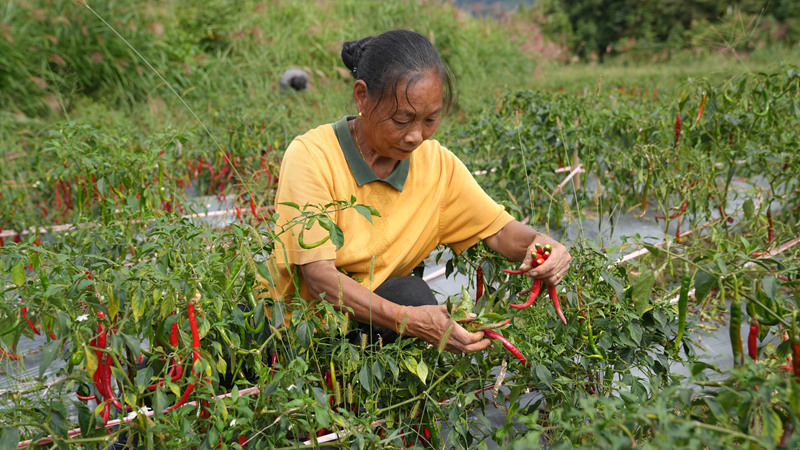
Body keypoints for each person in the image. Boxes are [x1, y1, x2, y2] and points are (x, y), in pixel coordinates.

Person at [265, 29, 571, 354]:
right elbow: (319, 279)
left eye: (430, 120)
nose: (415, 136)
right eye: (402, 119)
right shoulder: (313, 156)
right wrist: (409, 320)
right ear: (362, 97)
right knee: (411, 301)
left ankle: (355, 392)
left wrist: (544, 247)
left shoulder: (437, 166)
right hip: (292, 329)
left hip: (360, 324)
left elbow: (500, 233)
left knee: (410, 293)